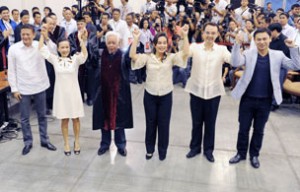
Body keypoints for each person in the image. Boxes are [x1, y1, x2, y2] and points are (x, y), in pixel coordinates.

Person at [229, 28, 300, 168]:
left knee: (259, 130)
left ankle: (254, 155)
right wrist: (237, 45)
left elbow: (296, 65)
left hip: (265, 101)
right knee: (243, 129)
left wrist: (293, 49)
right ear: (254, 41)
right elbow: (235, 62)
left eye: (264, 39)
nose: (261, 42)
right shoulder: (249, 54)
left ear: (269, 39)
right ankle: (240, 154)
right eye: (258, 39)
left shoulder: (278, 55)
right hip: (247, 99)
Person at [130, 25, 190, 160]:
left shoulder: (171, 57)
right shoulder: (147, 57)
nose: (162, 45)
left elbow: (185, 53)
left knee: (164, 124)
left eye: (164, 43)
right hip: (150, 95)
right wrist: (136, 39)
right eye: (159, 43)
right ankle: (149, 149)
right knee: (150, 123)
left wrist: (185, 36)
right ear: (155, 44)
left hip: (166, 96)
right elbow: (133, 56)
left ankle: (162, 151)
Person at [39, 24, 88, 156]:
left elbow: (84, 55)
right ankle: (66, 142)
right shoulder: (55, 59)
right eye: (62, 47)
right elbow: (42, 50)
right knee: (64, 120)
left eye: (67, 47)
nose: (65, 49)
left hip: (74, 94)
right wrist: (43, 35)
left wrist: (81, 40)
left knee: (76, 119)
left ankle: (77, 141)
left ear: (70, 47)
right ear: (58, 49)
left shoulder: (75, 59)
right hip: (61, 95)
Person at [185, 22, 231, 163]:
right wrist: (184, 36)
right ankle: (195, 148)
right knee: (196, 122)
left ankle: (209, 150)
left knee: (210, 124)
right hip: (196, 90)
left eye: (213, 33)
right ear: (203, 33)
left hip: (213, 92)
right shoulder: (195, 47)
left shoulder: (222, 50)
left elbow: (232, 60)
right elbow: (185, 53)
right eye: (208, 33)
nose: (210, 35)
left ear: (217, 34)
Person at [7, 24, 57, 155]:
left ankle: (44, 140)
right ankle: (28, 142)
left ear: (34, 34)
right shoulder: (14, 49)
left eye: (28, 34)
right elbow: (11, 71)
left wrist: (46, 38)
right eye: (23, 34)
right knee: (24, 118)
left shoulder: (39, 45)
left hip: (40, 85)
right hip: (23, 88)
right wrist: (14, 89)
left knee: (42, 116)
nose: (25, 37)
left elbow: (53, 52)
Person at [93, 31, 133, 157]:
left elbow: (131, 59)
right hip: (103, 94)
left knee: (119, 121)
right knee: (104, 121)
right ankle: (104, 144)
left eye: (113, 43)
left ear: (118, 43)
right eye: (109, 43)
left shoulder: (122, 56)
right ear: (105, 43)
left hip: (119, 94)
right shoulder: (100, 55)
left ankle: (121, 145)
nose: (111, 45)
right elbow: (89, 56)